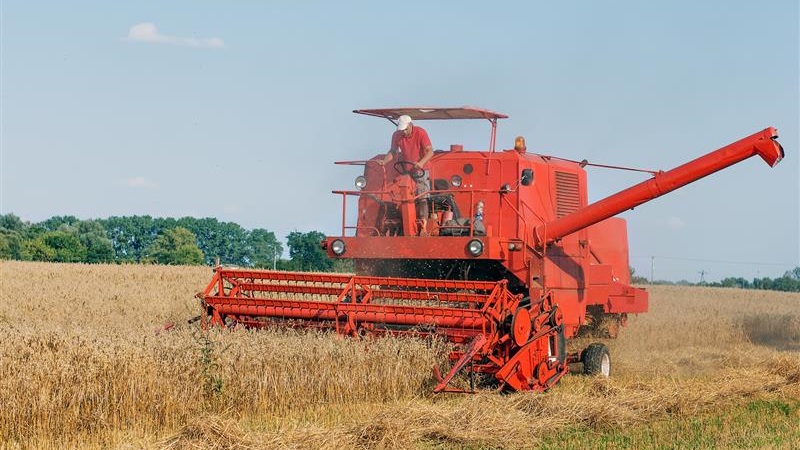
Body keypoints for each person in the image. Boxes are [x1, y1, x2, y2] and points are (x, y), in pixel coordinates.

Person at [377, 115, 434, 235]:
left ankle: (423, 226)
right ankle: (397, 224)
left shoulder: (421, 133)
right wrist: (384, 161)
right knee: (396, 196)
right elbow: (393, 151)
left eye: (405, 129)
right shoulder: (397, 135)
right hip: (406, 171)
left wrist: (421, 163)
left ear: (411, 125)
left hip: (420, 170)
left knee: (422, 197)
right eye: (401, 130)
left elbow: (430, 151)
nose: (404, 132)